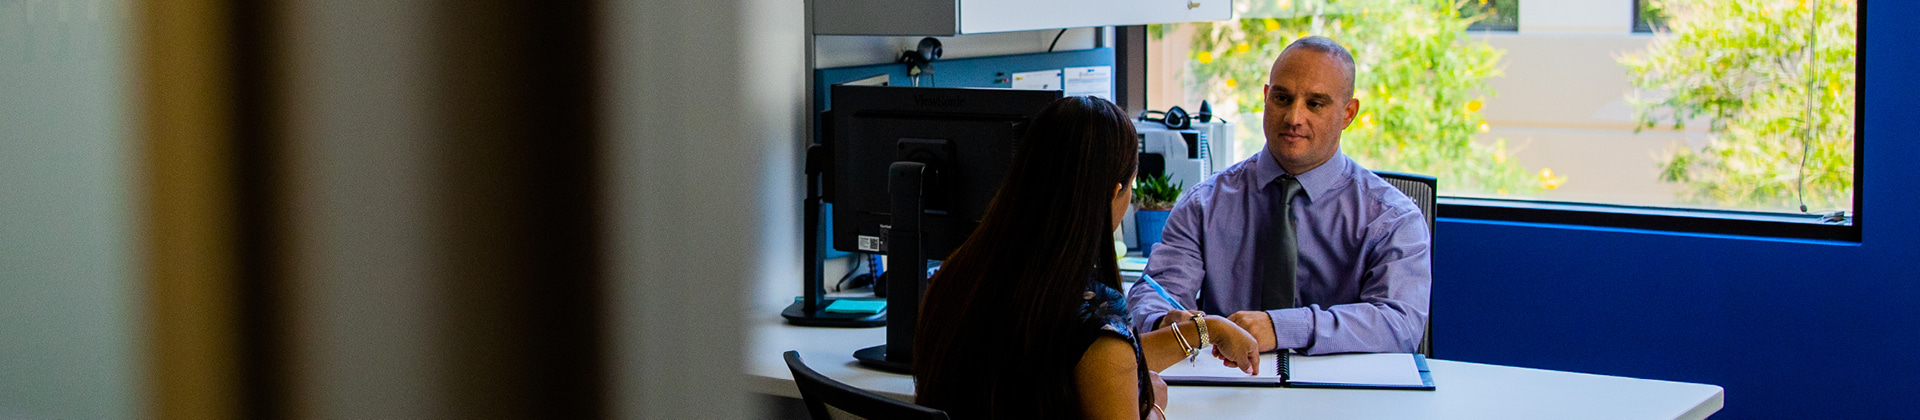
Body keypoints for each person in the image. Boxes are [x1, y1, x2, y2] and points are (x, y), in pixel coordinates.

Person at [913, 96, 1259, 420]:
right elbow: (1100, 357)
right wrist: (1151, 406)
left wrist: (1205, 330)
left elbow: (1078, 361)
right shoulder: (1090, 317)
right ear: (1115, 193)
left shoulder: (955, 276)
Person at [1125, 36, 1432, 356]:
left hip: (1344, 396)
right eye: (1282, 99)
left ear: (1348, 113)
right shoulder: (1204, 204)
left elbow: (1400, 325)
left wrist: (1282, 327)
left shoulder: (1391, 217)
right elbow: (1155, 291)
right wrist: (1163, 321)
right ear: (1266, 97)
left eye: (1315, 104)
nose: (1294, 118)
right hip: (1226, 386)